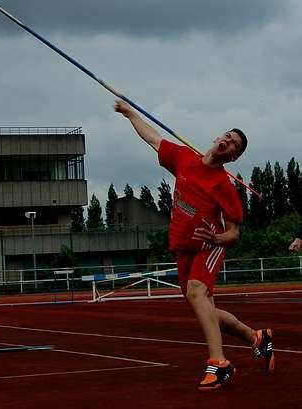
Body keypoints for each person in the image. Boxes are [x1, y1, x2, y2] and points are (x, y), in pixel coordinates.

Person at [114, 99, 274, 390]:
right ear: (218, 138)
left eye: (235, 144)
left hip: (207, 246)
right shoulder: (184, 158)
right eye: (228, 136)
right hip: (182, 246)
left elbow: (234, 234)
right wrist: (129, 114)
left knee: (196, 292)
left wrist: (216, 239)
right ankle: (256, 337)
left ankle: (219, 363)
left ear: (234, 158)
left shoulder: (224, 186)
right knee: (203, 309)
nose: (228, 141)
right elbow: (153, 138)